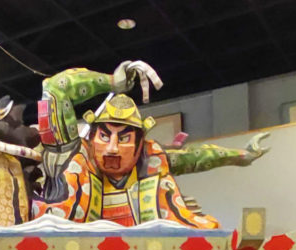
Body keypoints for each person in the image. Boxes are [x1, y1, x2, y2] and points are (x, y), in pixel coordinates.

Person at [34, 62, 267, 228]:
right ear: (92, 137)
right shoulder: (74, 154)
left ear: (139, 144)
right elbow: (55, 89)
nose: (112, 148)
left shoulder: (152, 159)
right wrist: (112, 82)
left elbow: (196, 156)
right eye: (104, 136)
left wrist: (241, 155)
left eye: (123, 139)